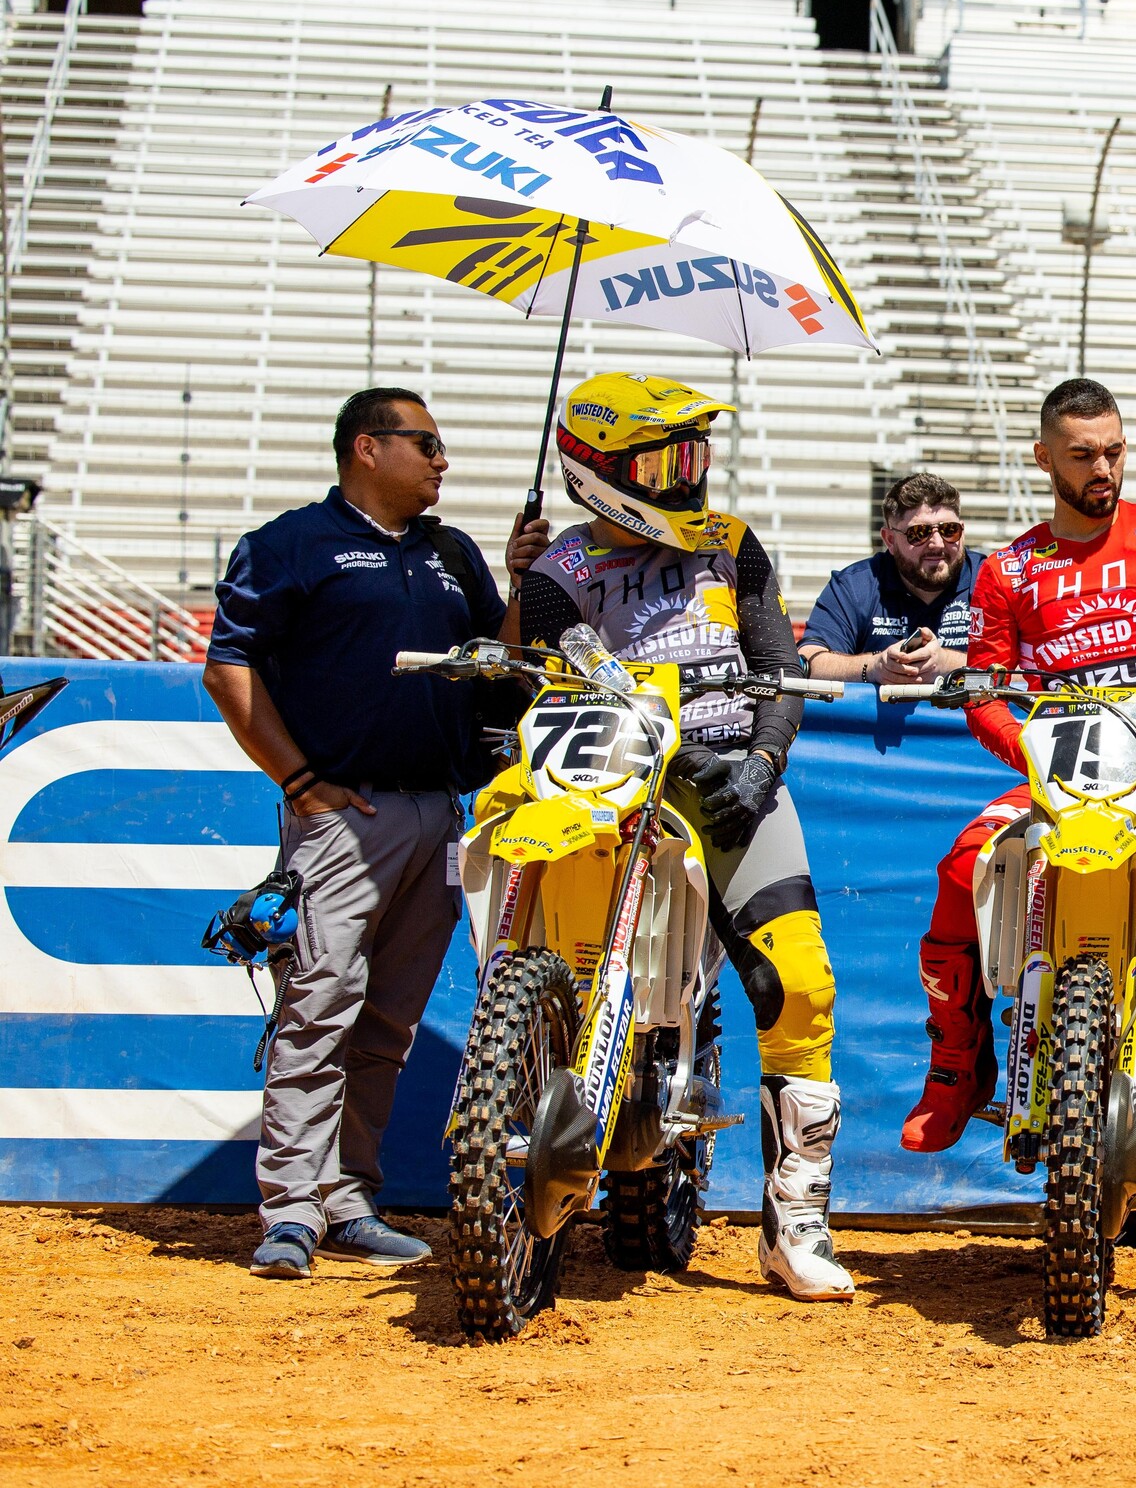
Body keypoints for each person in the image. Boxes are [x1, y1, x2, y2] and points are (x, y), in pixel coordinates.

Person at [897, 376, 1136, 1308]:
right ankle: (955, 1068)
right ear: (1044, 458)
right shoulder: (1007, 569)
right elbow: (981, 687)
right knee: (960, 865)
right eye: (1084, 454)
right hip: (1056, 783)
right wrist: (1028, 746)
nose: (1104, 469)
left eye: (1115, 451)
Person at [505, 371, 855, 1303]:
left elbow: (783, 671)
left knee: (801, 984)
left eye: (695, 453)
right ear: (599, 471)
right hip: (610, 783)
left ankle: (798, 1226)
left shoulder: (732, 544)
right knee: (550, 970)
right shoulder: (557, 575)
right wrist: (515, 588)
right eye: (667, 458)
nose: (688, 476)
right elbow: (527, 685)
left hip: (735, 782)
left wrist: (760, 767)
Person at [206, 387, 547, 1280]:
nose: (443, 461)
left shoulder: (452, 553)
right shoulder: (289, 544)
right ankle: (289, 1211)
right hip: (340, 814)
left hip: (440, 812)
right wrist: (301, 782)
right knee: (317, 1009)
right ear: (367, 446)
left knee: (388, 1021)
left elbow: (500, 669)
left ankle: (349, 1198)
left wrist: (518, 585)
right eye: (427, 443)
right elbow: (227, 668)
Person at [799, 471, 982, 686]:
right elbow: (808, 660)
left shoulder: (991, 578)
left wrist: (947, 665)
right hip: (877, 719)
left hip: (969, 720)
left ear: (963, 530)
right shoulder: (855, 586)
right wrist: (875, 667)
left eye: (949, 530)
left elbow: (1028, 670)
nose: (937, 543)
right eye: (919, 533)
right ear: (890, 540)